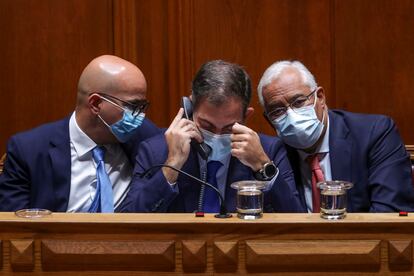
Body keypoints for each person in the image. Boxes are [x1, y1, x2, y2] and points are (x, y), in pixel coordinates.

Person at [119, 60, 304, 213]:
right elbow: (130, 220)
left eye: (228, 127)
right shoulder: (156, 150)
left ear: (246, 116)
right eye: (206, 125)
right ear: (190, 109)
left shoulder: (269, 150)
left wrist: (262, 166)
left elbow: (296, 221)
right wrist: (172, 166)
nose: (216, 135)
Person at [0, 55, 160, 212]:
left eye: (143, 106)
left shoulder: (144, 137)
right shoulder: (28, 150)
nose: (139, 116)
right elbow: (15, 228)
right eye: (132, 106)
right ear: (96, 103)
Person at [257, 60, 414, 212]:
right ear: (269, 120)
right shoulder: (274, 156)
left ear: (320, 97)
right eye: (277, 111)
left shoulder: (374, 134)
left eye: (298, 102)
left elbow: (389, 214)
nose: (291, 116)